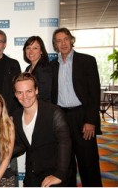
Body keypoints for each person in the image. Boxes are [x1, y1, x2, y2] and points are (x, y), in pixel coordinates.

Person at [51, 27, 103, 186]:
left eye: (65, 39)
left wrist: (90, 121)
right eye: (59, 41)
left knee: (89, 163)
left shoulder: (87, 61)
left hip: (82, 117)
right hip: (61, 118)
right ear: (55, 45)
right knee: (66, 163)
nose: (63, 43)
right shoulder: (52, 66)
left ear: (71, 40)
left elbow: (94, 93)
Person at [12, 72, 71, 187]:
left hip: (55, 174)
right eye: (20, 92)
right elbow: (22, 145)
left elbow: (65, 143)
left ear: (36, 90)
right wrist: (2, 152)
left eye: (29, 91)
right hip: (31, 175)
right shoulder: (16, 115)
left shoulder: (53, 112)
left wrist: (59, 174)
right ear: (15, 94)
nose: (25, 97)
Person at [23, 36, 52, 103]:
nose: (31, 51)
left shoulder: (44, 68)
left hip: (42, 108)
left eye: (35, 48)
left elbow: (45, 95)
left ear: (41, 51)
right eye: (28, 48)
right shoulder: (28, 68)